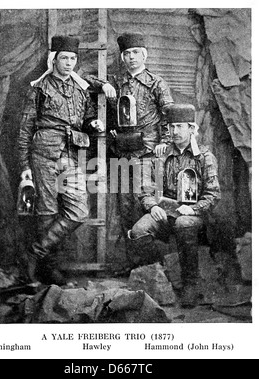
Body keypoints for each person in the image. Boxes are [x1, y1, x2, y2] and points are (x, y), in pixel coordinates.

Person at [18, 35, 104, 285]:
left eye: (73, 58)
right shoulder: (39, 88)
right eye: (64, 58)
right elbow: (25, 128)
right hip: (43, 153)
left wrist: (92, 123)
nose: (69, 62)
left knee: (78, 211)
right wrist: (24, 167)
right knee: (47, 211)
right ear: (53, 59)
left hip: (71, 154)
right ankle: (49, 269)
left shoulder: (80, 89)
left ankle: (33, 253)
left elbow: (86, 117)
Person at [85, 33, 174, 268]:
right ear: (122, 57)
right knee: (125, 207)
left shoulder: (156, 83)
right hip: (123, 152)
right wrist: (104, 85)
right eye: (127, 53)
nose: (131, 57)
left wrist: (164, 140)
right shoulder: (116, 81)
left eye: (135, 52)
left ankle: (153, 263)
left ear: (144, 55)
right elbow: (85, 79)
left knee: (146, 204)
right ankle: (134, 265)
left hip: (147, 152)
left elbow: (170, 114)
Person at [128, 104, 221, 307]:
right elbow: (145, 188)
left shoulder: (204, 157)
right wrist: (152, 206)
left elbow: (213, 194)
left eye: (180, 126)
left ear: (192, 129)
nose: (175, 132)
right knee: (138, 231)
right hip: (165, 212)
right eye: (171, 127)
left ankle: (190, 284)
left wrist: (194, 209)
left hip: (194, 215)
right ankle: (166, 268)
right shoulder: (160, 155)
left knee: (184, 223)